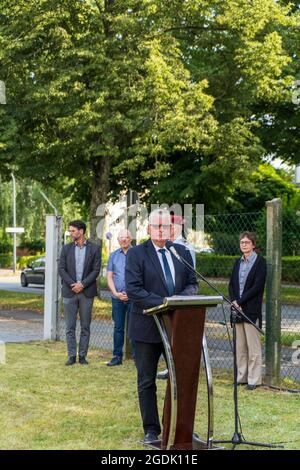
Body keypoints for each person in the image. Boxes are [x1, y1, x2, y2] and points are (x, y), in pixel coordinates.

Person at [125, 209, 198, 443]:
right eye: (155, 226)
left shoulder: (182, 252)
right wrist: (167, 304)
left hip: (177, 328)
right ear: (148, 228)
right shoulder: (137, 254)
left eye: (164, 226)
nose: (160, 230)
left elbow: (193, 284)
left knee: (181, 379)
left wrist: (179, 302)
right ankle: (151, 430)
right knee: (147, 380)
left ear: (172, 229)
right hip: (146, 327)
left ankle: (178, 427)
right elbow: (134, 290)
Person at [156, 214, 196, 380]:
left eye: (170, 226)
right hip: (164, 301)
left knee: (178, 335)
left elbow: (190, 276)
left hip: (179, 299)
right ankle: (170, 366)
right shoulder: (165, 245)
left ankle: (178, 367)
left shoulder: (185, 247)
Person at [59, 220, 101, 366]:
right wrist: (74, 284)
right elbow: (61, 269)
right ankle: (71, 356)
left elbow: (96, 270)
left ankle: (82, 356)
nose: (71, 233)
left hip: (86, 292)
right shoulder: (66, 249)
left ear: (81, 231)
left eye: (73, 231)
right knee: (69, 327)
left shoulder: (95, 249)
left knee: (85, 326)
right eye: (70, 231)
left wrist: (82, 284)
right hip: (69, 292)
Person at [228, 231, 266, 390]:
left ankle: (254, 380)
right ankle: (241, 377)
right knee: (240, 346)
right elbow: (231, 284)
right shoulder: (238, 262)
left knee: (253, 346)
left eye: (247, 242)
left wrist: (241, 302)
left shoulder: (260, 262)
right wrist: (234, 301)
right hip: (237, 310)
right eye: (242, 242)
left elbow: (257, 287)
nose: (244, 245)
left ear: (253, 244)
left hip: (250, 310)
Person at [106, 229, 133, 366]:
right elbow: (109, 277)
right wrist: (116, 293)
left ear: (131, 239)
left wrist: (132, 293)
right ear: (118, 240)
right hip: (117, 298)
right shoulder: (113, 256)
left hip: (134, 298)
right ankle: (117, 357)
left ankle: (138, 358)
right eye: (121, 237)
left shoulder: (137, 254)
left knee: (135, 327)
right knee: (118, 328)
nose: (124, 240)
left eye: (127, 237)